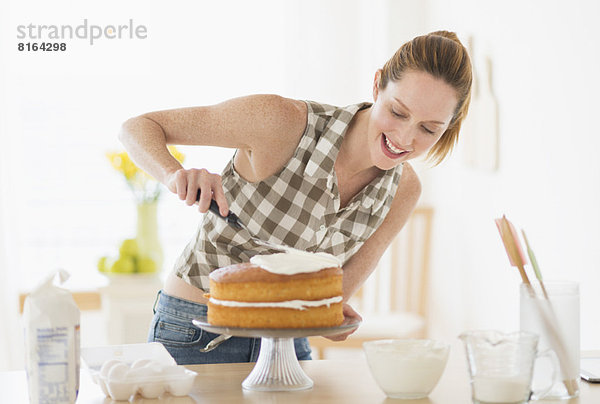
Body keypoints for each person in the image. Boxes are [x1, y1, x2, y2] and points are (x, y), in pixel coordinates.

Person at [119, 30, 472, 365]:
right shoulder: (281, 122)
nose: (405, 137)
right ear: (377, 84)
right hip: (196, 331)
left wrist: (329, 312)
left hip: (289, 345)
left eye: (429, 129)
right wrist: (174, 174)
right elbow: (138, 127)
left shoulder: (404, 190)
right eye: (397, 112)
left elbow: (337, 293)